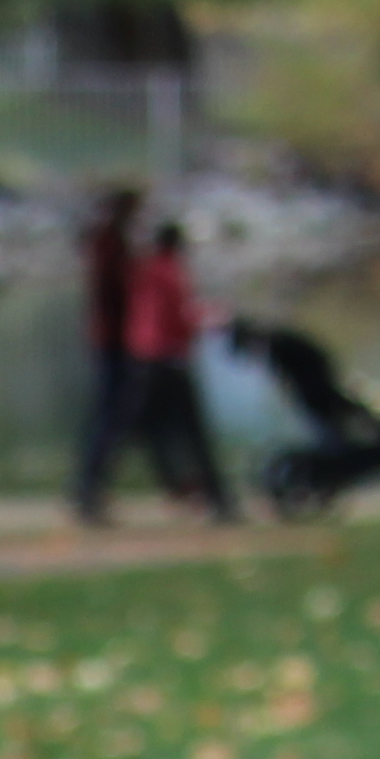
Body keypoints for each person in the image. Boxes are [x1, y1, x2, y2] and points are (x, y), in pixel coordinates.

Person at [118, 215, 240, 523]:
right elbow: (179, 318)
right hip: (169, 361)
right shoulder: (171, 272)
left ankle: (178, 487)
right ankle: (217, 498)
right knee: (193, 432)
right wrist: (214, 317)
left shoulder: (144, 271)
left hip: (143, 360)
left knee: (147, 429)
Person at [68, 185, 143, 527]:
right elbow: (115, 292)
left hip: (116, 338)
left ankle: (91, 488)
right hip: (113, 340)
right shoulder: (109, 244)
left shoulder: (112, 242)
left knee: (112, 415)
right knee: (110, 415)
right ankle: (88, 488)